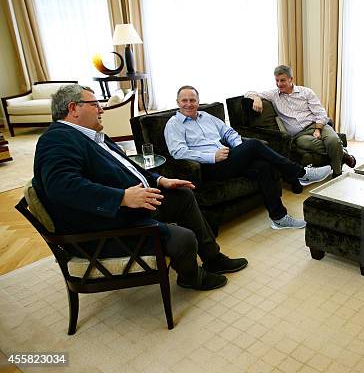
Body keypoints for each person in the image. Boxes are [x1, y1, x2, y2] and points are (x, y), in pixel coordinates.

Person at [33, 84, 247, 291]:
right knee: (183, 238)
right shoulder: (57, 139)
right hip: (105, 227)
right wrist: (122, 197)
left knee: (183, 195)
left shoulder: (93, 137)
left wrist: (160, 180)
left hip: (131, 207)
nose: (101, 109)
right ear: (73, 108)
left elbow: (129, 168)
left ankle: (213, 258)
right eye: (95, 104)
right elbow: (61, 186)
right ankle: (191, 278)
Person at [164, 85, 332, 230]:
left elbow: (228, 132)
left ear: (198, 101)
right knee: (254, 144)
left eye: (192, 100)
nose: (188, 104)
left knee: (262, 167)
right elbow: (178, 152)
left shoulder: (206, 117)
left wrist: (239, 148)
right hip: (208, 167)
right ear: (177, 102)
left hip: (228, 158)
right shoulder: (174, 124)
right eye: (184, 100)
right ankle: (300, 173)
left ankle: (279, 218)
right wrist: (211, 156)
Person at [245, 65, 356, 178]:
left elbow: (321, 113)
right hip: (299, 135)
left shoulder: (306, 92)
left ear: (291, 79)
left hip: (318, 125)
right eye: (277, 80)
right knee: (313, 143)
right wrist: (257, 98)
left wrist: (318, 129)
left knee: (333, 141)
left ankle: (337, 173)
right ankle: (342, 154)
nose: (279, 84)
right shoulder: (274, 95)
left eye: (282, 80)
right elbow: (248, 93)